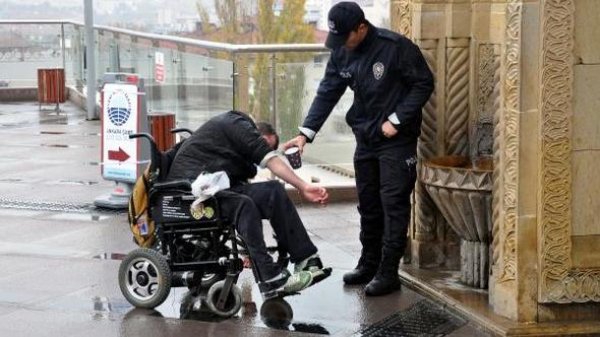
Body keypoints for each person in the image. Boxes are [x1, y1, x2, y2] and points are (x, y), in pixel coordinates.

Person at [282, 2, 434, 296]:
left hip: (396, 140)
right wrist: (305, 134)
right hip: (365, 138)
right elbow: (327, 91)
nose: (342, 45)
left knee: (393, 204)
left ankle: (389, 273)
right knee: (368, 204)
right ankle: (369, 263)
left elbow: (423, 83)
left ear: (361, 28)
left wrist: (397, 119)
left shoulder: (396, 48)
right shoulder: (342, 50)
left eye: (346, 38)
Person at [166, 110, 331, 299]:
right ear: (255, 133)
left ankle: (306, 259)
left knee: (273, 191)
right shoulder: (236, 124)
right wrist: (303, 186)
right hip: (189, 194)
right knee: (244, 205)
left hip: (212, 189)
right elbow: (271, 161)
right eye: (264, 144)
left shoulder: (232, 144)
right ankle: (270, 279)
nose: (261, 150)